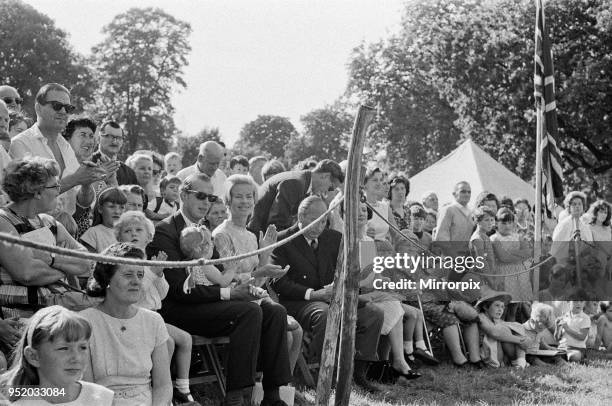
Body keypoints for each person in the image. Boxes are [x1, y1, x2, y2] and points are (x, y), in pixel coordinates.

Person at [147, 173, 292, 406]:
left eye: (210, 197)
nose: (206, 202)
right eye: (200, 196)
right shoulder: (166, 231)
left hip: (210, 301)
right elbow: (177, 290)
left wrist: (249, 281)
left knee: (274, 311)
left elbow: (222, 275)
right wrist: (230, 293)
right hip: (178, 309)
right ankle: (236, 396)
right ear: (183, 195)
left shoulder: (202, 230)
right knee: (249, 312)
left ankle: (272, 395)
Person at [271, 196, 385, 392]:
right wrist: (314, 294)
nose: (319, 226)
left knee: (373, 314)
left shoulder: (334, 238)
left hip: (332, 296)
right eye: (315, 221)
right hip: (299, 301)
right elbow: (280, 283)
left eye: (323, 221)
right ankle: (324, 374)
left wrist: (344, 286)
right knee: (325, 314)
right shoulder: (283, 240)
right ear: (301, 216)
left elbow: (346, 270)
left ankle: (357, 374)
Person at [113, 211, 197, 404]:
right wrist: (151, 273)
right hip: (134, 317)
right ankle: (157, 386)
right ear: (119, 237)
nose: (133, 233)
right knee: (167, 342)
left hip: (155, 317)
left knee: (185, 338)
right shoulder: (124, 263)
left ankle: (182, 388)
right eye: (128, 231)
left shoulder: (151, 261)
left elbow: (163, 293)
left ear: (149, 236)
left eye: (138, 230)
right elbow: (134, 296)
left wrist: (158, 274)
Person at [0, 158, 94, 318]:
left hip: (55, 315)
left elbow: (86, 263)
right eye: (55, 186)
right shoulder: (3, 221)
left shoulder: (49, 222)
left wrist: (50, 259)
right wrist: (66, 264)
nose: (59, 190)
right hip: (20, 320)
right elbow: (28, 274)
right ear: (36, 192)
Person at [83, 243, 172, 406]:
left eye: (140, 275)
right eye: (128, 275)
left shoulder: (153, 321)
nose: (136, 281)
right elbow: (86, 390)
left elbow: (163, 385)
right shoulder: (84, 323)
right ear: (106, 279)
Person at [9, 83, 106, 216]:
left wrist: (86, 184)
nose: (63, 111)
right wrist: (75, 178)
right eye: (56, 106)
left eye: (68, 108)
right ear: (38, 108)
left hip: (67, 229)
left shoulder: (66, 147)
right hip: (33, 230)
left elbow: (83, 203)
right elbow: (29, 195)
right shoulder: (20, 143)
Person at [0, 306, 114, 405]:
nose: (77, 358)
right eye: (64, 348)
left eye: (82, 347)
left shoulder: (103, 398)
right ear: (33, 356)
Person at [250, 159, 343, 234]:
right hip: (257, 233)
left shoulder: (303, 181)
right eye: (331, 187)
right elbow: (277, 223)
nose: (327, 191)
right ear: (325, 176)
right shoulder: (296, 183)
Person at [475, 291, 529, 368]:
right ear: (485, 307)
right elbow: (494, 333)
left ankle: (520, 361)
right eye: (497, 305)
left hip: (499, 353)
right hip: (487, 353)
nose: (500, 309)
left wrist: (523, 338)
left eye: (502, 307)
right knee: (504, 330)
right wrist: (520, 340)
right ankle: (518, 361)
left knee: (516, 327)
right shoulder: (481, 317)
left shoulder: (496, 320)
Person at [491, 207, 533, 301]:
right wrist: (520, 255)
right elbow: (504, 258)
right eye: (504, 223)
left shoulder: (518, 237)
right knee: (508, 301)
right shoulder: (494, 239)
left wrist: (510, 252)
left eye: (510, 223)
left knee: (523, 301)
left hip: (521, 273)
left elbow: (528, 253)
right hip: (504, 274)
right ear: (496, 223)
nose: (507, 226)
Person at [79, 187, 126, 253]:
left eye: (122, 207)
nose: (117, 212)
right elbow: (89, 261)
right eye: (112, 206)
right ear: (100, 209)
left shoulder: (129, 232)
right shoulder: (93, 233)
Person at [551, 191, 594, 265]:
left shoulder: (585, 226)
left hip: (582, 263)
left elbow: (590, 245)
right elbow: (557, 246)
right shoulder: (564, 224)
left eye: (580, 204)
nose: (577, 206)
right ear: (569, 207)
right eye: (574, 204)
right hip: (565, 264)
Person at [434, 181, 474, 258]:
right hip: (450, 261)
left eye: (469, 192)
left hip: (466, 260)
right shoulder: (448, 210)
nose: (467, 194)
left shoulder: (471, 212)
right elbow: (441, 238)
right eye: (463, 191)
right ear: (454, 194)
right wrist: (455, 257)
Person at [92, 121, 138, 186]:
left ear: (122, 142)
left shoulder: (129, 172)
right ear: (99, 138)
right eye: (110, 136)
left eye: (119, 138)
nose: (115, 141)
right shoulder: (86, 163)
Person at [468, 206, 498, 289]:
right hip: (481, 279)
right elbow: (481, 263)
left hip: (488, 276)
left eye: (492, 220)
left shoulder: (484, 236)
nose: (490, 223)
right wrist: (491, 281)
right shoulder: (478, 239)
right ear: (478, 221)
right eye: (486, 220)